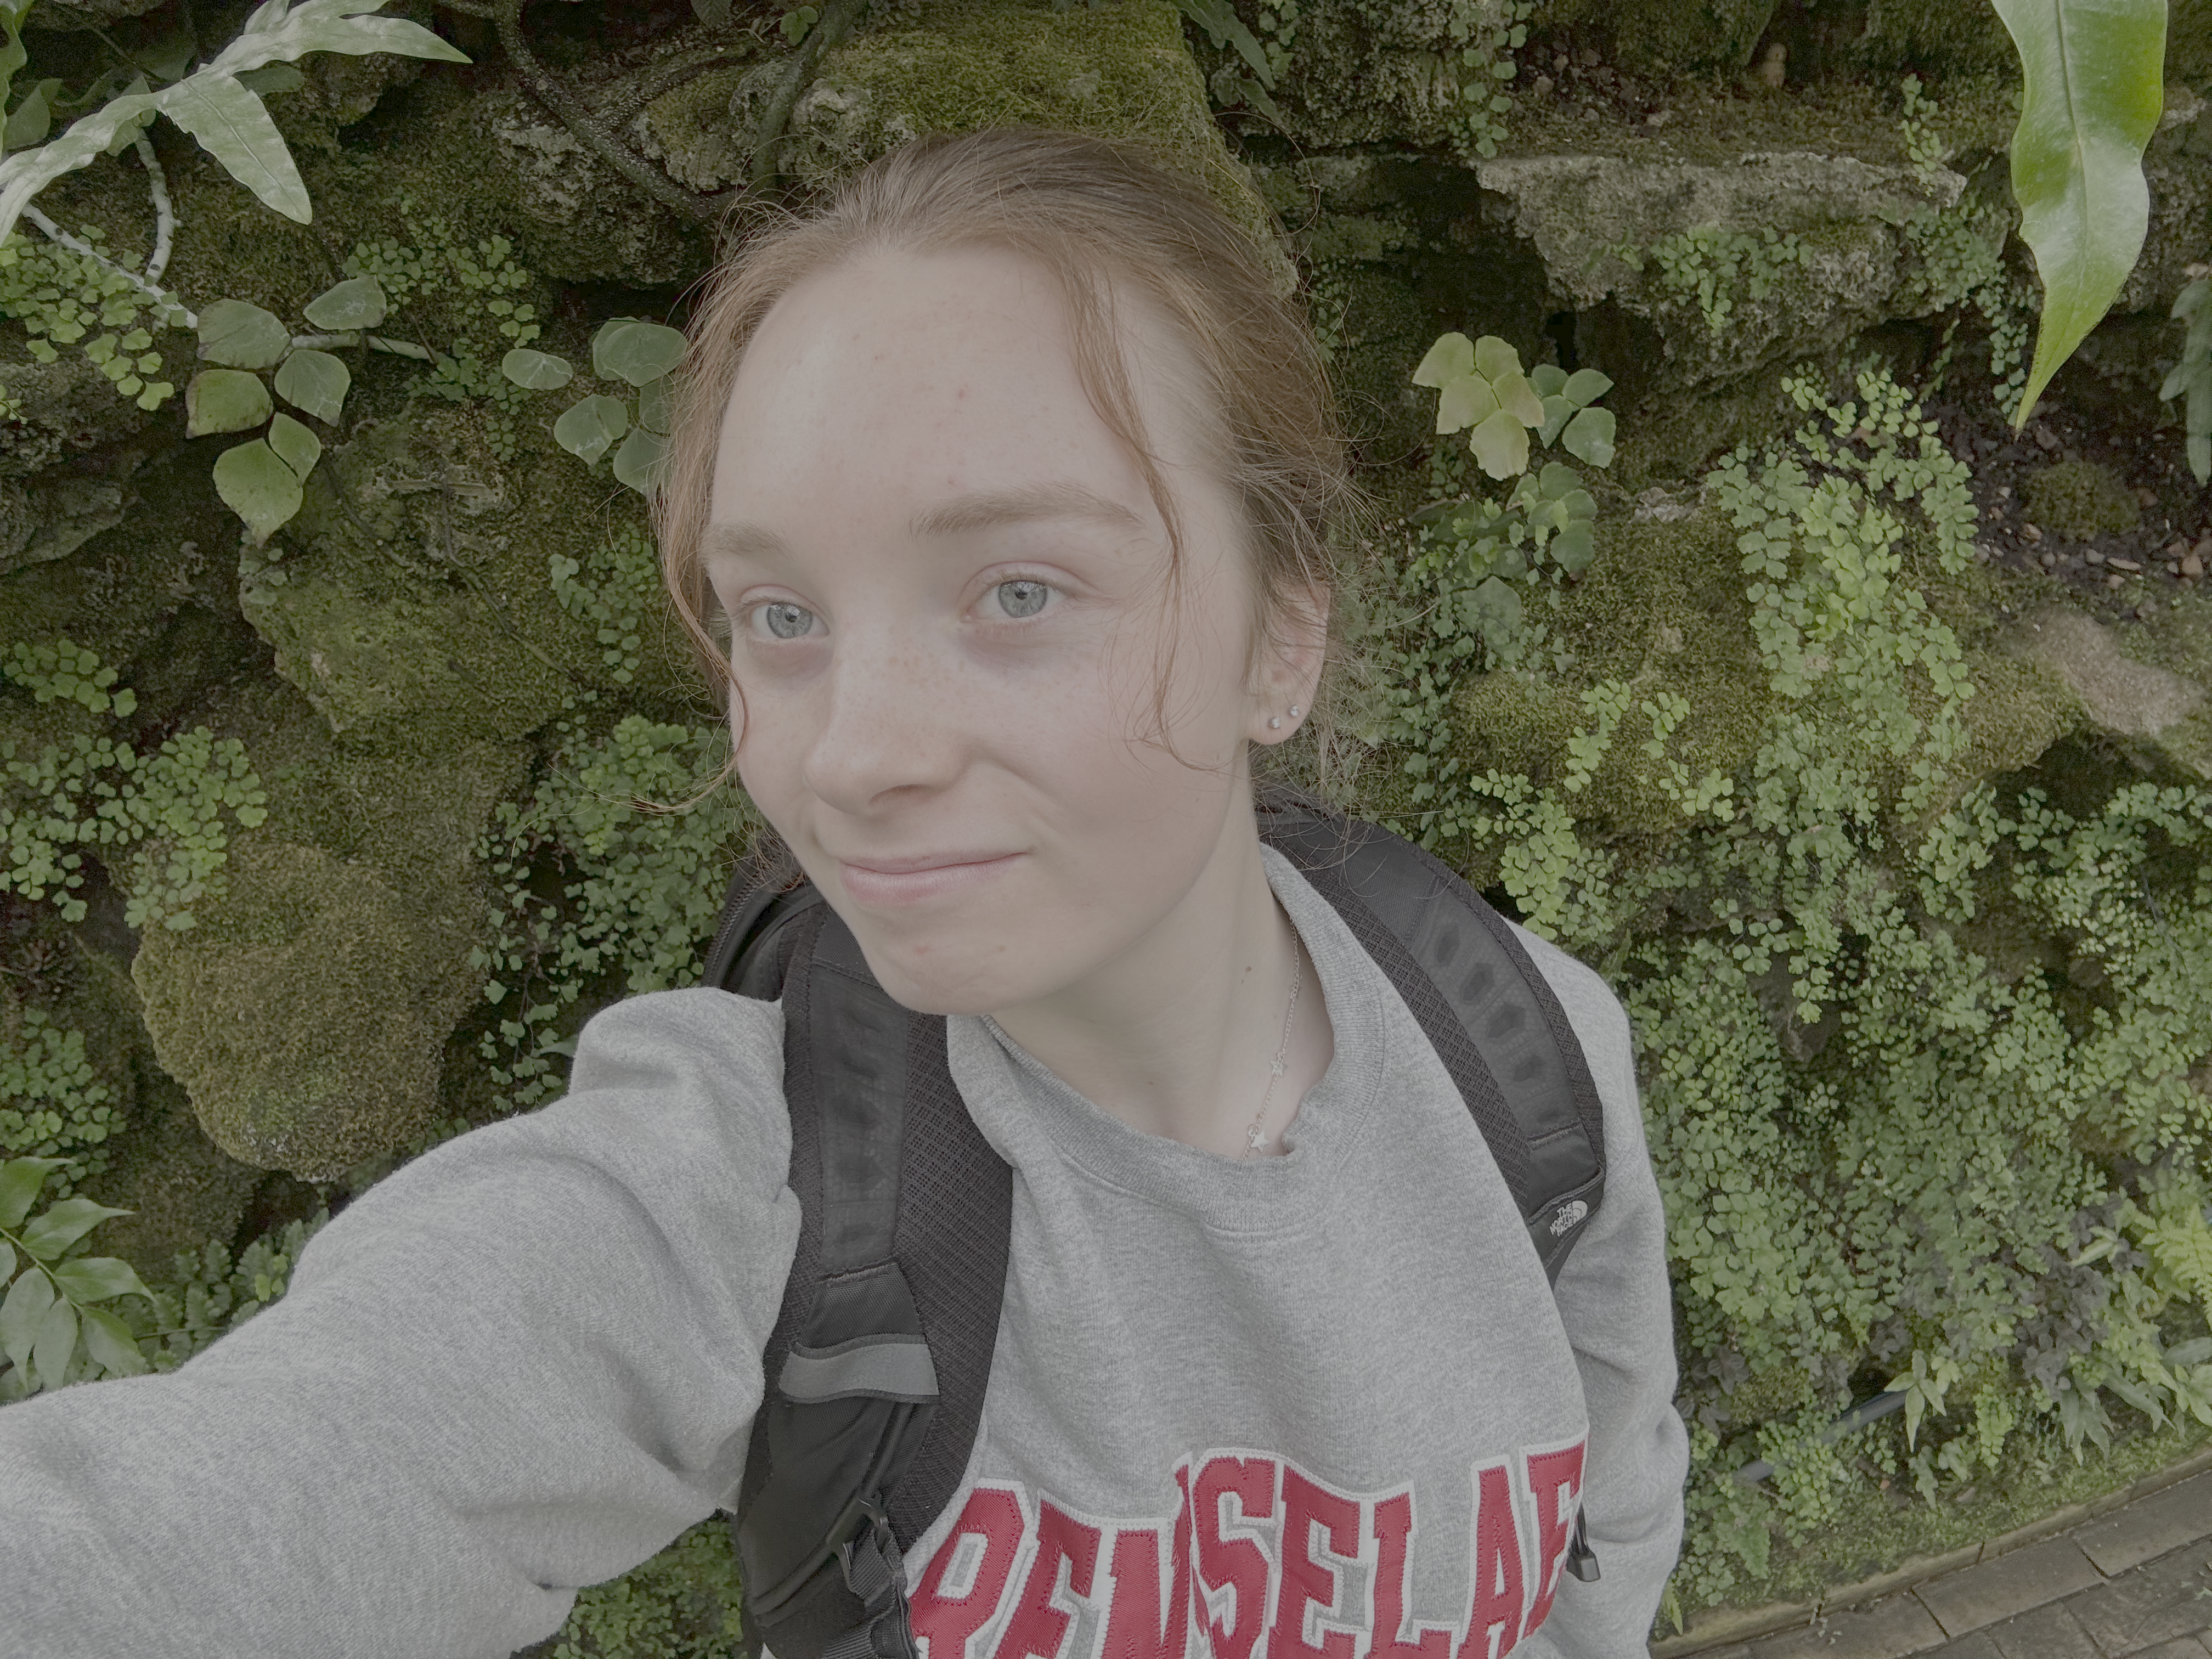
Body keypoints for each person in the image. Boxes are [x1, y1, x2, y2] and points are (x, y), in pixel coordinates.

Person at [0, 125, 1687, 1658]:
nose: (850, 756)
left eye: (1018, 589)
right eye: (782, 618)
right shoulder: (755, 1185)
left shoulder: (1526, 1064)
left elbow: (1607, 1520)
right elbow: (213, 1518)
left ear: (1285, 633)